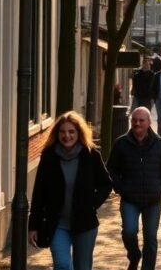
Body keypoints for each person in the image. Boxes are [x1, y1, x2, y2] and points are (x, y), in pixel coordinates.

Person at [28, 111, 112, 270]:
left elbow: (106, 184)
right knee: (62, 265)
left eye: (71, 131)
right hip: (57, 223)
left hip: (85, 224)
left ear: (79, 133)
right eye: (62, 132)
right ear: (57, 133)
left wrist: (92, 203)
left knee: (83, 267)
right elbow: (39, 192)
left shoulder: (91, 155)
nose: (67, 136)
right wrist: (33, 225)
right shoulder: (49, 156)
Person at [107, 107, 161, 270]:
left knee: (150, 238)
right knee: (129, 232)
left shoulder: (159, 144)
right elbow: (111, 169)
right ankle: (134, 255)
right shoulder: (121, 143)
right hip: (129, 198)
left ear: (149, 122)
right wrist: (120, 187)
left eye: (141, 120)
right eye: (134, 120)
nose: (137, 123)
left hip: (153, 199)